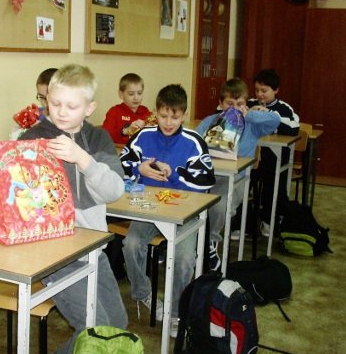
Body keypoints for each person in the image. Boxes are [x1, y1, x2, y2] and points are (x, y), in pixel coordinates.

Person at [19, 64, 128, 354]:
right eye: (54, 104)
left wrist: (82, 158)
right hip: (55, 255)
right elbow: (20, 197)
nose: (61, 112)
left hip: (92, 248)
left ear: (89, 108)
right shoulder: (33, 138)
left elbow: (114, 190)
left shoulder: (97, 138)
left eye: (71, 106)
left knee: (117, 323)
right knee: (95, 324)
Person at [119, 84, 215, 338]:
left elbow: (206, 181)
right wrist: (138, 169)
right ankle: (144, 293)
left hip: (184, 210)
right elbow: (121, 164)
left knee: (184, 259)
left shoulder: (194, 142)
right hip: (150, 208)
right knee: (131, 244)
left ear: (184, 115)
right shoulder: (143, 136)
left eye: (175, 117)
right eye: (163, 116)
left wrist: (174, 175)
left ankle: (175, 311)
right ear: (156, 113)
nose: (168, 122)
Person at [196, 78, 280, 271]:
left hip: (237, 177)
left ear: (246, 104)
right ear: (220, 103)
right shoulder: (211, 121)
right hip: (209, 175)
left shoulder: (252, 125)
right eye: (230, 104)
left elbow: (275, 121)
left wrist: (249, 114)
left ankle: (210, 242)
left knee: (219, 204)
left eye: (240, 103)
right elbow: (194, 143)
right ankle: (191, 239)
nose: (235, 108)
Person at [246, 69, 300, 237]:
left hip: (274, 158)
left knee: (273, 185)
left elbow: (294, 128)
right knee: (241, 182)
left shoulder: (283, 108)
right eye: (257, 90)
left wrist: (270, 116)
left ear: (276, 90)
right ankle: (243, 223)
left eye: (264, 90)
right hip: (251, 156)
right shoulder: (249, 103)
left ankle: (269, 220)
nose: (260, 94)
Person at [102, 73, 152, 145]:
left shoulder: (145, 111)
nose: (136, 98)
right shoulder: (114, 112)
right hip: (120, 150)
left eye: (139, 93)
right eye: (131, 94)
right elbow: (104, 138)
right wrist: (125, 131)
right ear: (121, 94)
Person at [9, 68, 56, 140]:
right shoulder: (35, 115)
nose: (46, 103)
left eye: (51, 97)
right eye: (41, 97)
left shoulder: (67, 118)